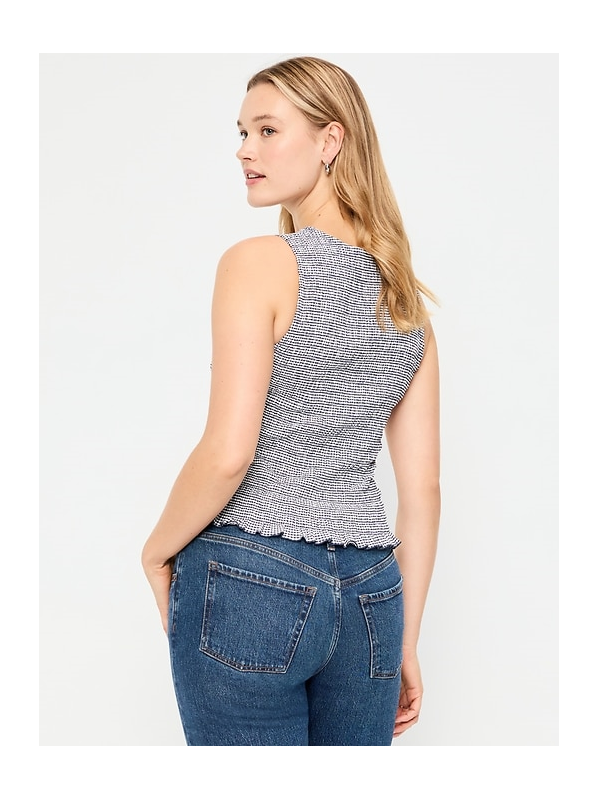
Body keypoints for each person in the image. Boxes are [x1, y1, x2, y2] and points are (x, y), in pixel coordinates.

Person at [141, 55, 441, 747]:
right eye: (242, 132)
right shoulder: (406, 305)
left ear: (331, 140)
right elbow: (423, 491)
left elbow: (229, 454)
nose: (245, 150)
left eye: (268, 130)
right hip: (371, 594)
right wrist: (405, 640)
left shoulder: (260, 262)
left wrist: (156, 550)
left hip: (251, 577)